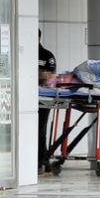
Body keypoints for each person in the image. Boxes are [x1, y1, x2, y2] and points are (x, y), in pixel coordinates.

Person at [38, 29, 56, 174]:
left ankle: (42, 160)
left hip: (44, 99)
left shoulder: (46, 55)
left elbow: (50, 77)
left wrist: (38, 75)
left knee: (40, 130)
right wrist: (40, 74)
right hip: (26, 98)